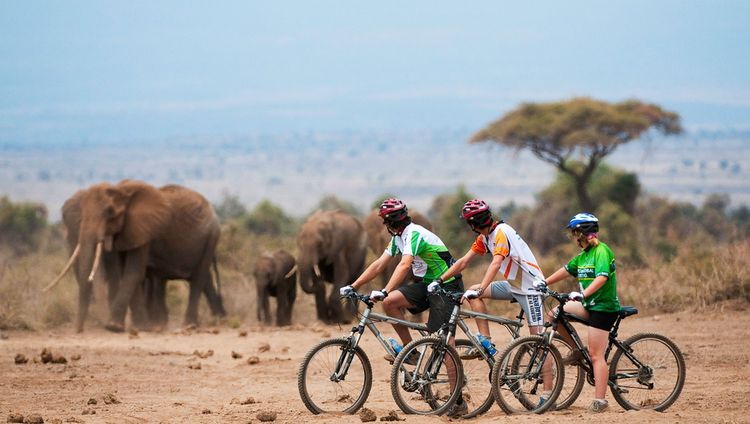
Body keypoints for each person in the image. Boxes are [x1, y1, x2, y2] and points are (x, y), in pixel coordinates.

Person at [339, 198, 467, 416]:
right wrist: (354, 285)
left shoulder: (414, 234)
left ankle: (458, 402)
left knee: (445, 344)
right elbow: (380, 264)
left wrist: (385, 289)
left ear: (389, 222)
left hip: (447, 286)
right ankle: (412, 353)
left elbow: (404, 264)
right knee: (390, 303)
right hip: (427, 285)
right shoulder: (399, 237)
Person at [539, 212, 620, 413]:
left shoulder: (602, 251)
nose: (573, 237)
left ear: (581, 233)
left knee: (595, 355)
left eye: (574, 233)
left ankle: (600, 401)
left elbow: (601, 278)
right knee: (553, 314)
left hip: (603, 307)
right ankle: (576, 350)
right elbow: (566, 270)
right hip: (589, 305)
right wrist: (544, 282)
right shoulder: (583, 256)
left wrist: (582, 295)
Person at [436, 199, 546, 342]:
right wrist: (439, 280)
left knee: (538, 342)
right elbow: (463, 261)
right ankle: (485, 340)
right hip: (514, 286)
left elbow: (496, 264)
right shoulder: (485, 237)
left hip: (531, 288)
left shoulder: (501, 232)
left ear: (473, 224)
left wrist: (481, 289)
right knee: (473, 294)